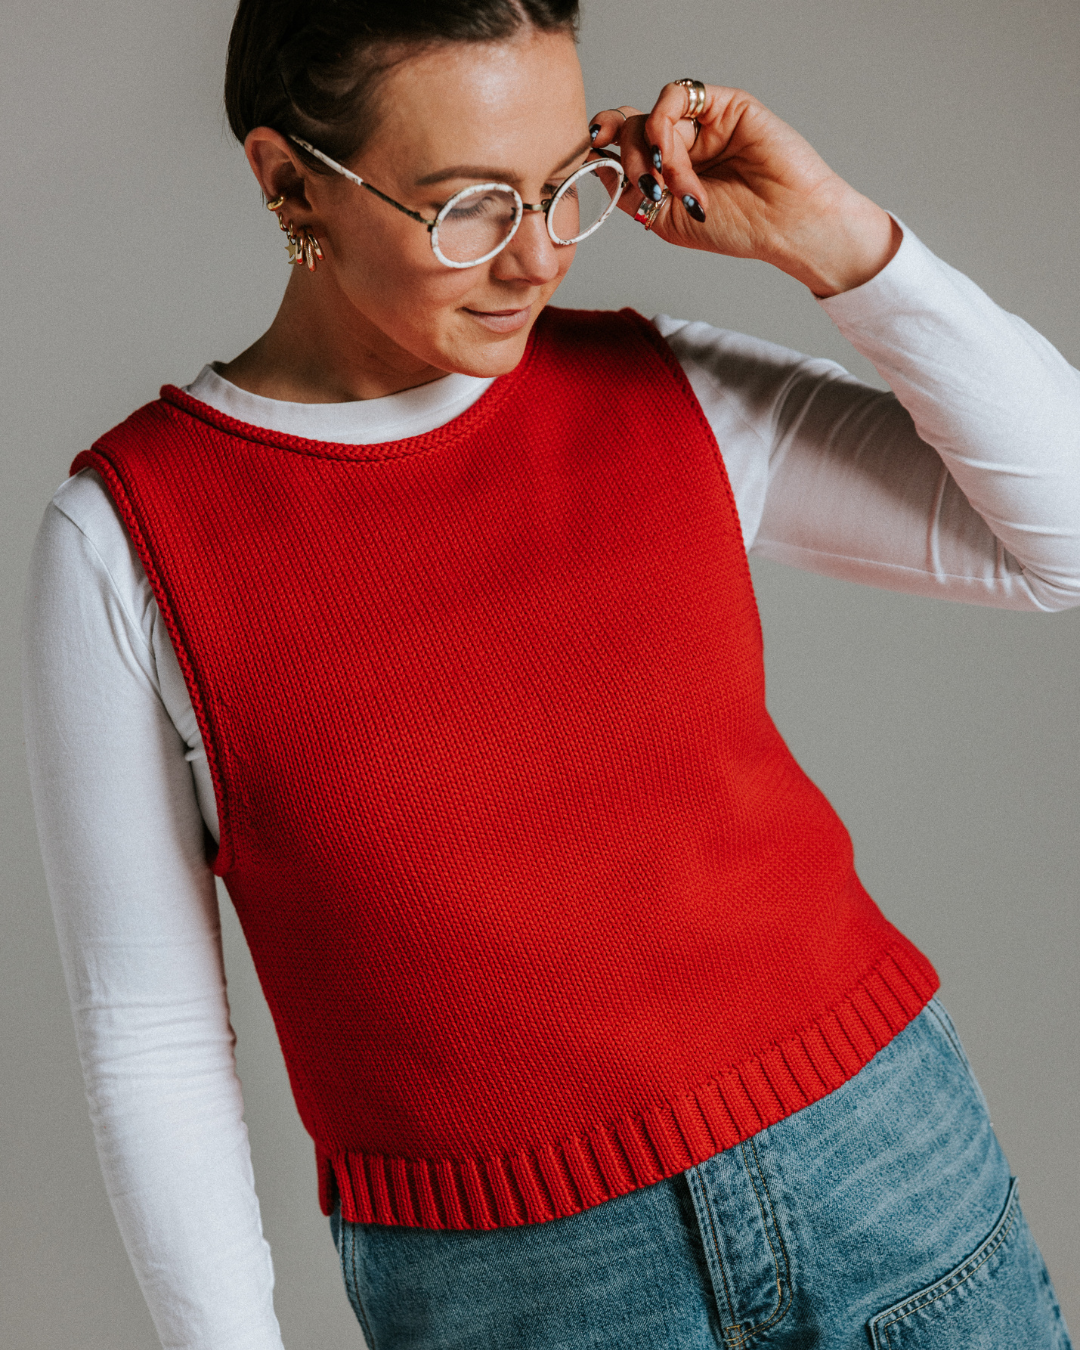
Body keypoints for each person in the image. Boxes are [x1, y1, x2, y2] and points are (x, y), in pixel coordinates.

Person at [20, 0, 1079, 1346]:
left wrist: (839, 243)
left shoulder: (660, 387)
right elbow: (151, 1034)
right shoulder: (128, 540)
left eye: (560, 188)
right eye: (469, 206)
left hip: (884, 1170)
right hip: (517, 1294)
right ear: (290, 180)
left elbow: (1066, 535)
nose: (535, 261)